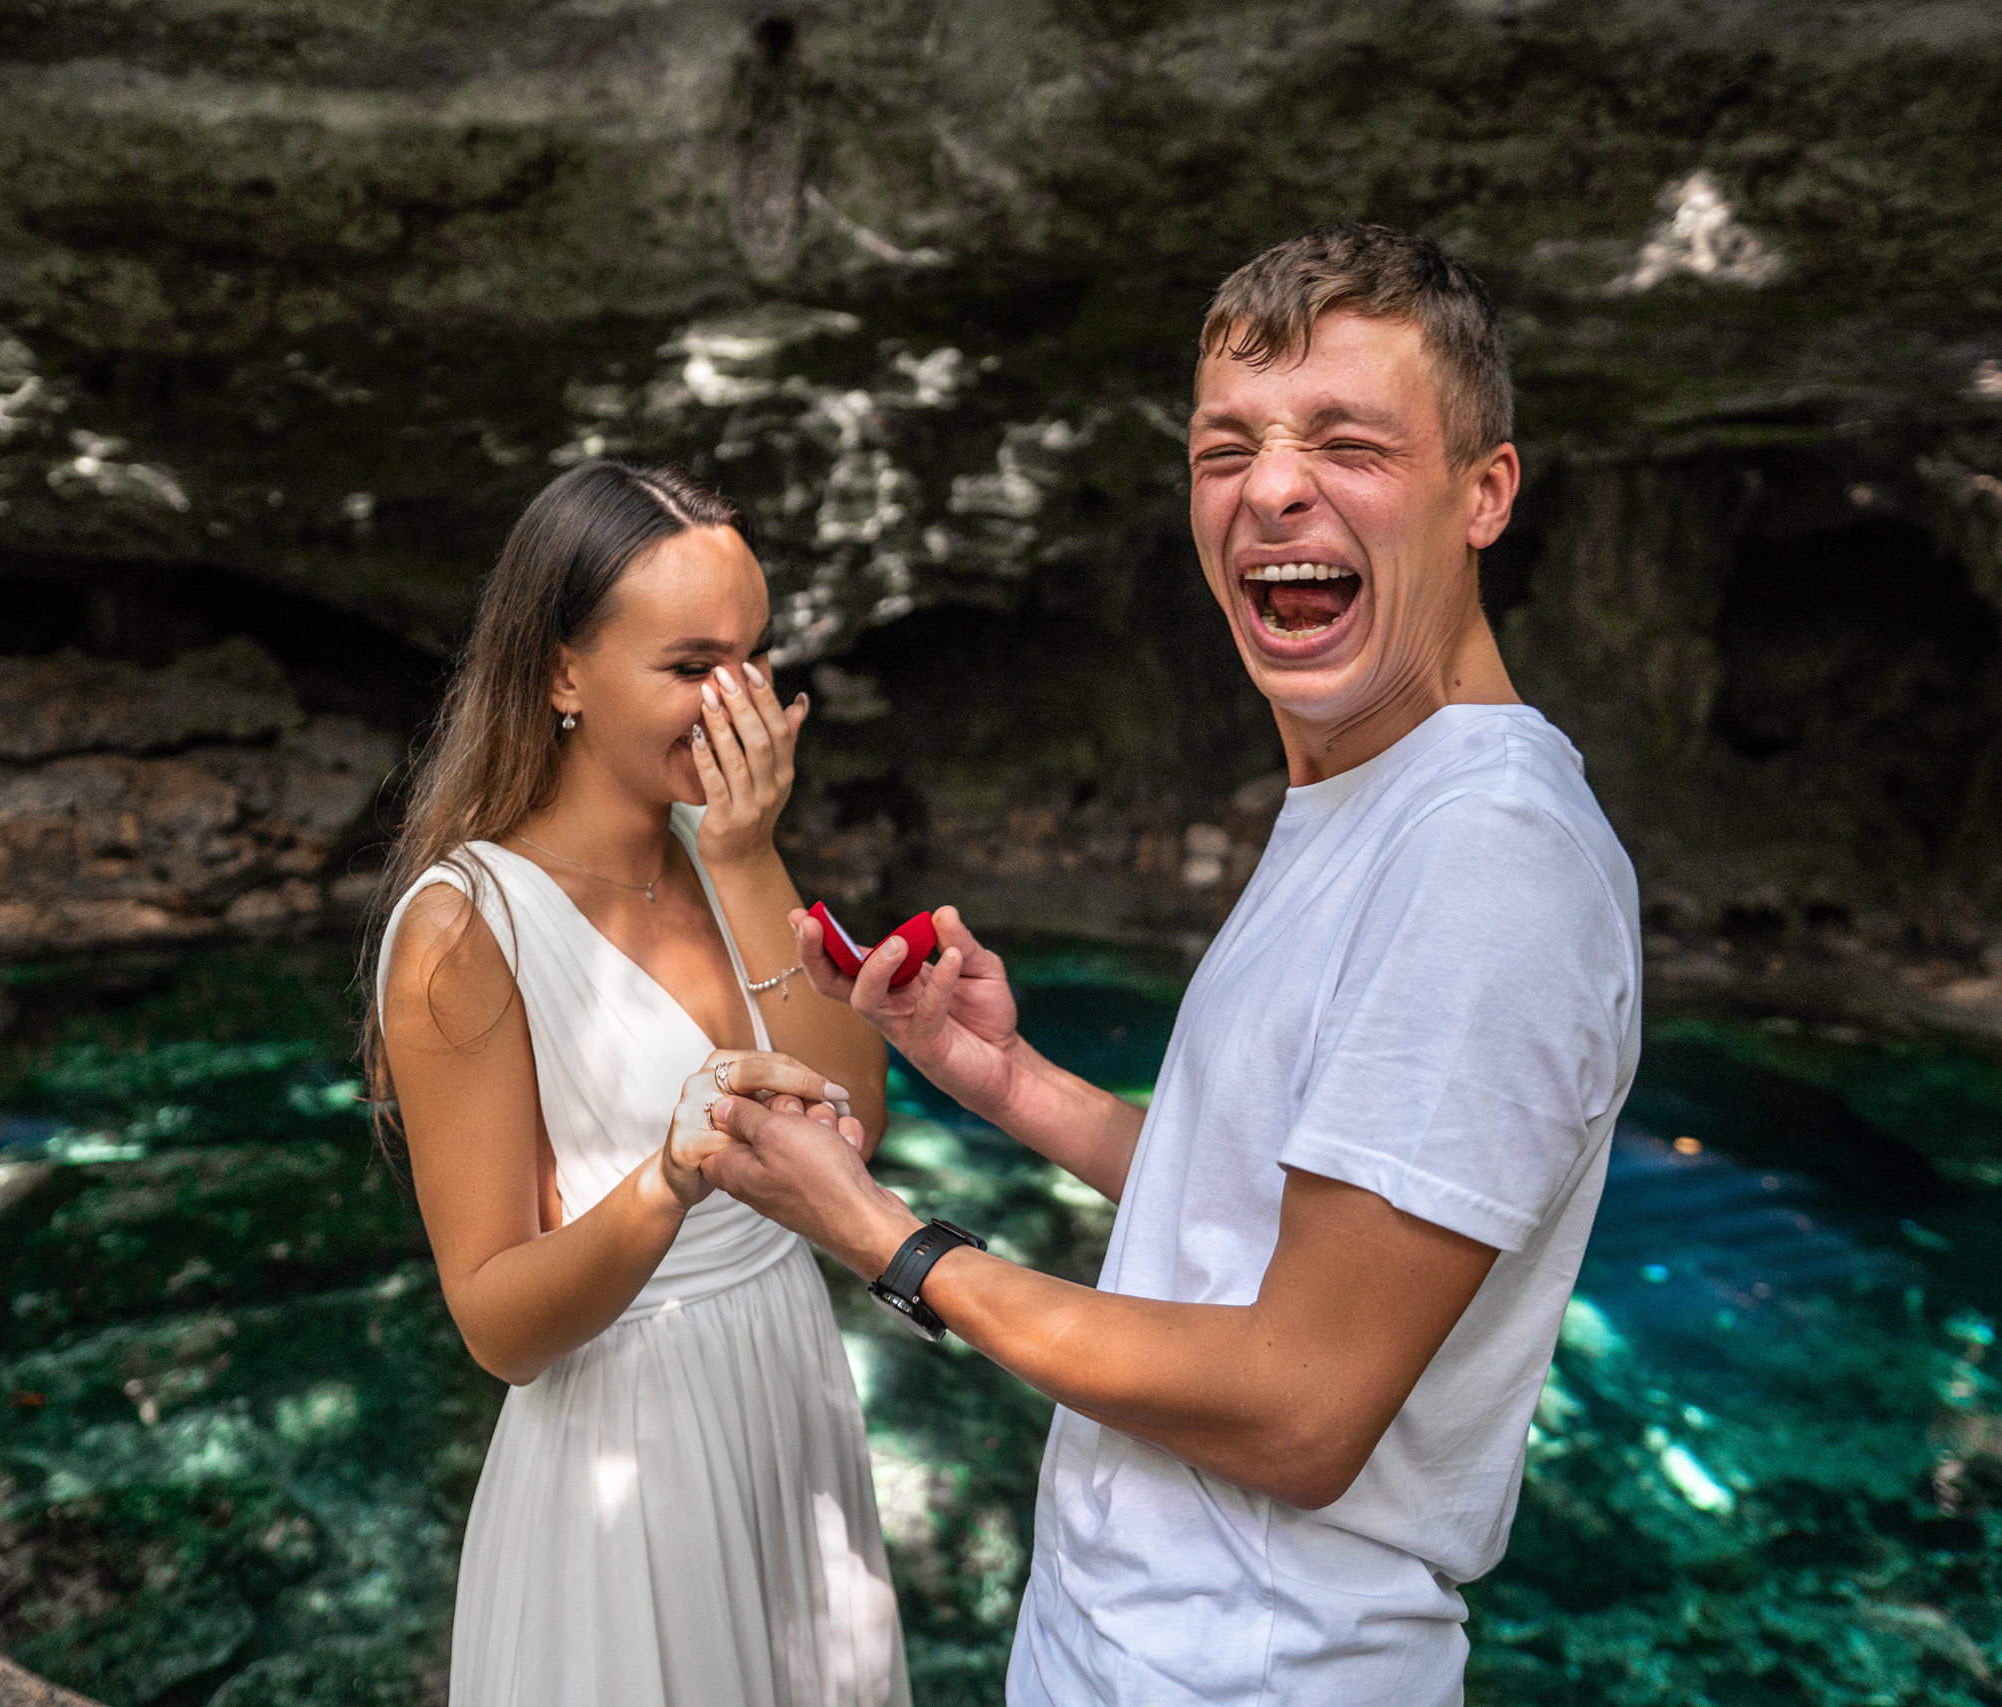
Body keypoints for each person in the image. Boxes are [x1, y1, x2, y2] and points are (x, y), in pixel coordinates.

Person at [700, 225, 1643, 1705]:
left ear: (1485, 492)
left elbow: (1300, 1408)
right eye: (1228, 447)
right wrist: (1003, 1078)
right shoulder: (1370, 792)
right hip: (1138, 1641)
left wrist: (886, 1234)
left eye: (1349, 440)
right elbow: (1270, 1209)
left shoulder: (1488, 857)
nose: (1273, 487)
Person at [361, 460, 909, 1707]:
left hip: (787, 1398)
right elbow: (497, 1325)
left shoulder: (717, 848)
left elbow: (853, 1126)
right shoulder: (465, 928)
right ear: (561, 672)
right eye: (689, 665)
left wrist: (752, 854)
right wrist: (667, 1179)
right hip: (629, 1452)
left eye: (753, 660)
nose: (737, 706)